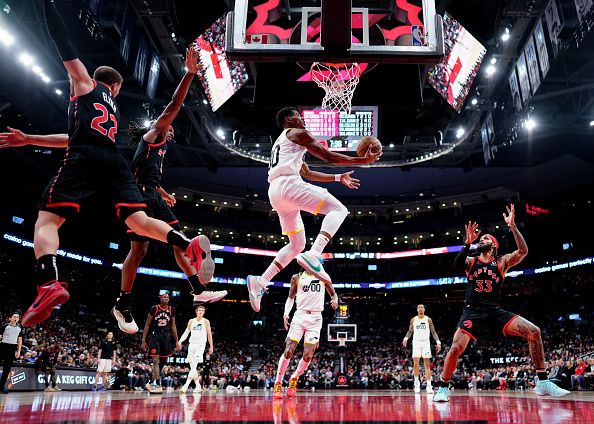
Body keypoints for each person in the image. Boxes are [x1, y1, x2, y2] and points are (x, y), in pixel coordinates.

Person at [0, 0, 212, 327]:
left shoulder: (85, 83)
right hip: (113, 160)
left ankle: (49, 282)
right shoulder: (112, 109)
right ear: (115, 88)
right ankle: (187, 245)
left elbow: (63, 41)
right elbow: (73, 137)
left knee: (47, 222)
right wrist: (30, 139)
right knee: (139, 220)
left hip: (86, 156)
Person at [113, 48, 226, 335]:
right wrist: (188, 75)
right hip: (139, 197)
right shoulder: (154, 135)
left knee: (155, 248)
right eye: (170, 124)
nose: (173, 126)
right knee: (140, 250)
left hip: (150, 193)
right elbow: (174, 105)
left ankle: (197, 290)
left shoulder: (157, 149)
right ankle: (123, 303)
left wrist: (162, 191)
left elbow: (142, 172)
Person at [247, 107, 381, 312]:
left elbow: (307, 172)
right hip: (288, 185)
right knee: (339, 209)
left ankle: (261, 281)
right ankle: (315, 253)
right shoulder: (298, 133)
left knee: (297, 244)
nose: (302, 119)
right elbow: (328, 156)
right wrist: (361, 161)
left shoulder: (284, 143)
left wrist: (337, 178)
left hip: (275, 192)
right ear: (289, 119)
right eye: (299, 116)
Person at [433, 205, 570, 401]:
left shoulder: (501, 262)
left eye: (485, 239)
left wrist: (513, 226)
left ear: (494, 245)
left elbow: (523, 251)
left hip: (494, 311)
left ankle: (543, 382)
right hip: (472, 311)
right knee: (455, 348)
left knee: (534, 332)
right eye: (481, 239)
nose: (482, 240)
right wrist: (467, 244)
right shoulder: (471, 261)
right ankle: (443, 388)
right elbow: (455, 265)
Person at [273, 271, 338, 399]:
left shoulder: (324, 276)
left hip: (315, 318)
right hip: (299, 315)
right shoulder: (296, 277)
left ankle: (294, 378)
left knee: (308, 355)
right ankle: (278, 382)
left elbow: (333, 294)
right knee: (288, 351)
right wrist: (286, 313)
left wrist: (334, 300)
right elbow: (291, 297)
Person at [141, 292, 180, 394]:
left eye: (167, 297)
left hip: (166, 336)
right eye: (164, 297)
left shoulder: (172, 310)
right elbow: (147, 324)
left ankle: (151, 381)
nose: (166, 299)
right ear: (160, 299)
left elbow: (173, 326)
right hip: (155, 335)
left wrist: (176, 340)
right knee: (155, 360)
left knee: (163, 361)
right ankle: (157, 383)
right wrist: (143, 340)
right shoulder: (155, 308)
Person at [402, 304, 441, 394]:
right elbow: (410, 331)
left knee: (427, 365)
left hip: (425, 343)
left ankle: (428, 386)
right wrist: (405, 338)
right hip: (416, 343)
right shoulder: (413, 319)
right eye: (418, 307)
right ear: (417, 310)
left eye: (421, 307)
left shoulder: (428, 319)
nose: (420, 309)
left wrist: (438, 342)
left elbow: (433, 332)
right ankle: (416, 383)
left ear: (424, 309)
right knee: (416, 364)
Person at [178, 305, 213, 393]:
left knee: (194, 364)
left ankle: (185, 386)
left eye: (202, 310)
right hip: (191, 345)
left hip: (201, 345)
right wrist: (180, 341)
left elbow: (209, 334)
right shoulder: (191, 321)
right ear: (196, 311)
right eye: (199, 310)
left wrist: (211, 346)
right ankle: (198, 386)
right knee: (193, 367)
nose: (200, 311)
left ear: (204, 313)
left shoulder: (206, 321)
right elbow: (186, 332)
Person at [0, 312, 22, 394]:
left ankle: (1, 387)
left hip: (12, 348)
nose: (16, 318)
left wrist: (18, 351)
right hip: (3, 346)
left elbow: (20, 340)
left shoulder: (19, 328)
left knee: (7, 370)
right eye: (14, 316)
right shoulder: (5, 326)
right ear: (10, 318)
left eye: (17, 317)